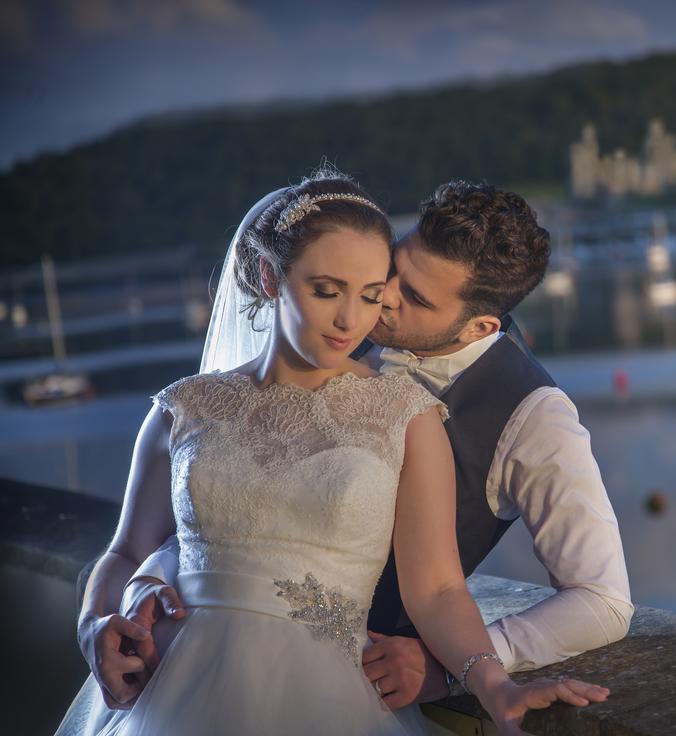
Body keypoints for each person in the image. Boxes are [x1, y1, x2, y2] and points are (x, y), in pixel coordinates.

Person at [57, 170, 608, 736]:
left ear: (480, 325)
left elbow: (444, 589)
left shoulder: (417, 416)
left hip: (329, 695)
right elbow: (130, 548)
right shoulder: (183, 407)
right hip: (173, 686)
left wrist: (492, 682)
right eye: (331, 290)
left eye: (374, 293)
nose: (358, 316)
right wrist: (95, 622)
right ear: (271, 278)